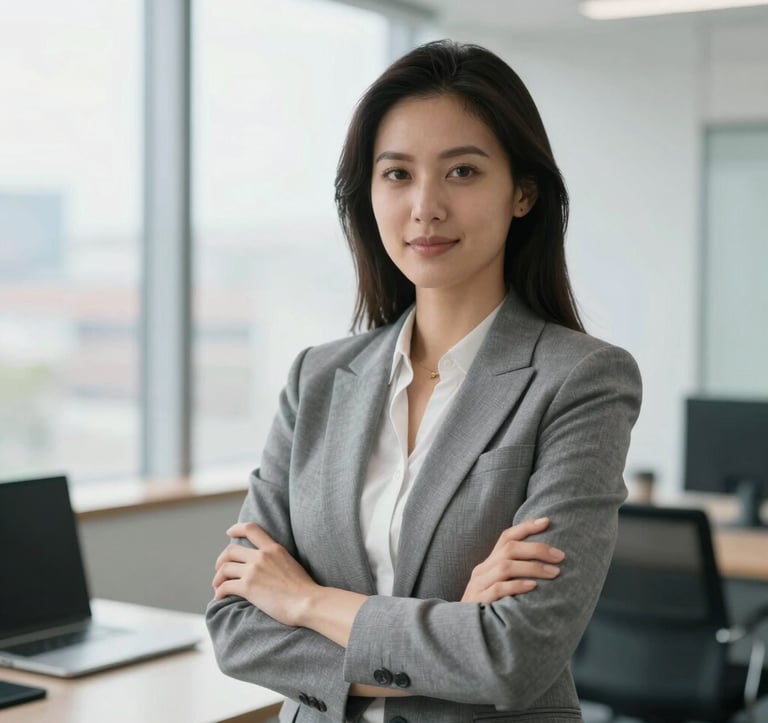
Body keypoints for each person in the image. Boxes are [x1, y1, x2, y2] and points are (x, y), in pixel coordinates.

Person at [206, 39, 642, 723]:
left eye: (462, 172)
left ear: (522, 191)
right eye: (397, 174)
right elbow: (236, 624)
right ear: (368, 192)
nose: (425, 206)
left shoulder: (582, 380)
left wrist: (306, 601)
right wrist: (450, 635)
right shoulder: (317, 378)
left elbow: (515, 654)